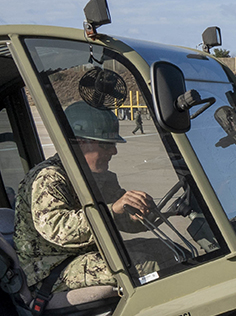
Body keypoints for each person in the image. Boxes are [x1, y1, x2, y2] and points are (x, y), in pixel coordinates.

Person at [14, 102, 157, 293]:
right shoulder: (48, 177)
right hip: (51, 268)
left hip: (84, 254)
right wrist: (112, 210)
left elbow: (119, 219)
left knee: (162, 250)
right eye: (106, 144)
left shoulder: (97, 176)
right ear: (80, 143)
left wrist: (143, 215)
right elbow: (58, 230)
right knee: (147, 267)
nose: (114, 151)